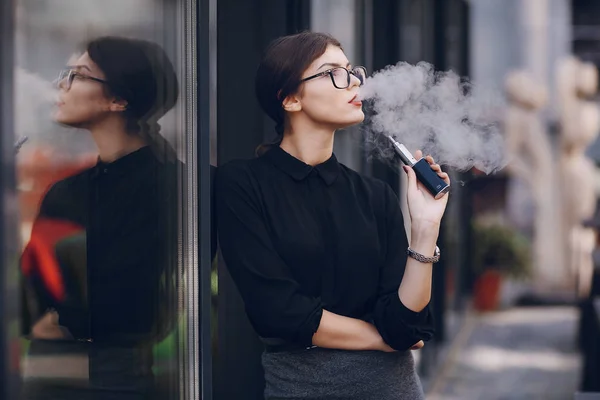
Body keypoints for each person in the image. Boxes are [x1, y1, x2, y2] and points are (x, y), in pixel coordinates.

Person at [215, 31, 450, 399]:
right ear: (290, 99)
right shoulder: (242, 183)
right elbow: (278, 311)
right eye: (332, 73)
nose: (354, 82)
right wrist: (384, 339)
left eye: (352, 71)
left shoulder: (375, 195)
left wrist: (425, 227)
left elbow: (407, 324)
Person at [20, 36, 215, 400]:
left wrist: (64, 318)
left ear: (118, 99)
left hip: (113, 377)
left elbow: (131, 304)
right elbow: (29, 295)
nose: (61, 85)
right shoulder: (67, 191)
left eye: (77, 75)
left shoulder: (178, 186)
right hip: (49, 371)